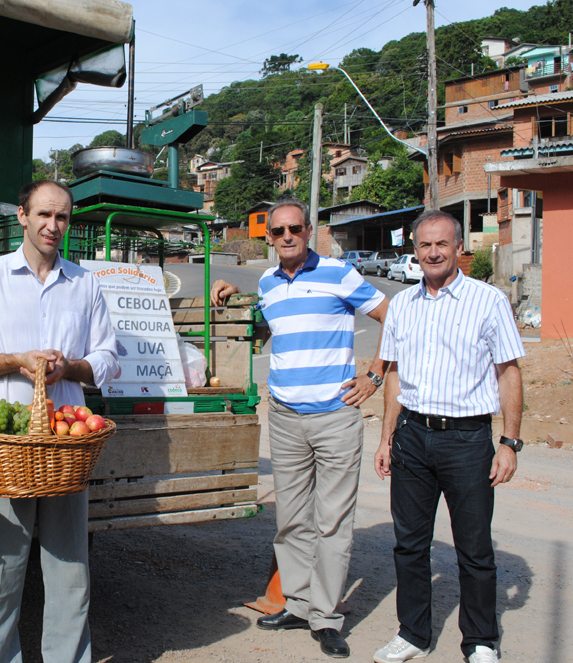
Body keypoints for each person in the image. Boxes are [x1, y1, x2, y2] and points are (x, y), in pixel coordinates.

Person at [211, 196, 389, 659]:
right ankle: (297, 602)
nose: (286, 237)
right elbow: (266, 328)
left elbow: (395, 317)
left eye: (295, 229)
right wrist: (233, 291)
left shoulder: (339, 273)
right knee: (291, 521)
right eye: (277, 232)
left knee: (332, 522)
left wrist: (374, 375)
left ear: (309, 232)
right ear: (268, 238)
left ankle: (326, 618)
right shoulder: (269, 282)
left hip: (335, 417)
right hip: (286, 417)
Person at [0, 179, 119, 663]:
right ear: (22, 216)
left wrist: (72, 367)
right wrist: (14, 360)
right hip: (7, 448)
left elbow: (107, 357)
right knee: (1, 567)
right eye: (43, 215)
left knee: (70, 567)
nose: (52, 226)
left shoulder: (84, 284)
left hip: (66, 447)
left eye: (62, 217)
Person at [372, 210, 524, 663]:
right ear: (414, 251)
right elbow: (395, 376)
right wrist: (386, 438)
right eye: (424, 245)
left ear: (459, 248)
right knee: (409, 544)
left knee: (474, 548)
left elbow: (508, 372)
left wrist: (509, 442)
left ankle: (480, 641)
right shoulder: (402, 305)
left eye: (442, 244)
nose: (433, 253)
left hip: (467, 441)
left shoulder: (488, 300)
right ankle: (413, 634)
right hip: (413, 436)